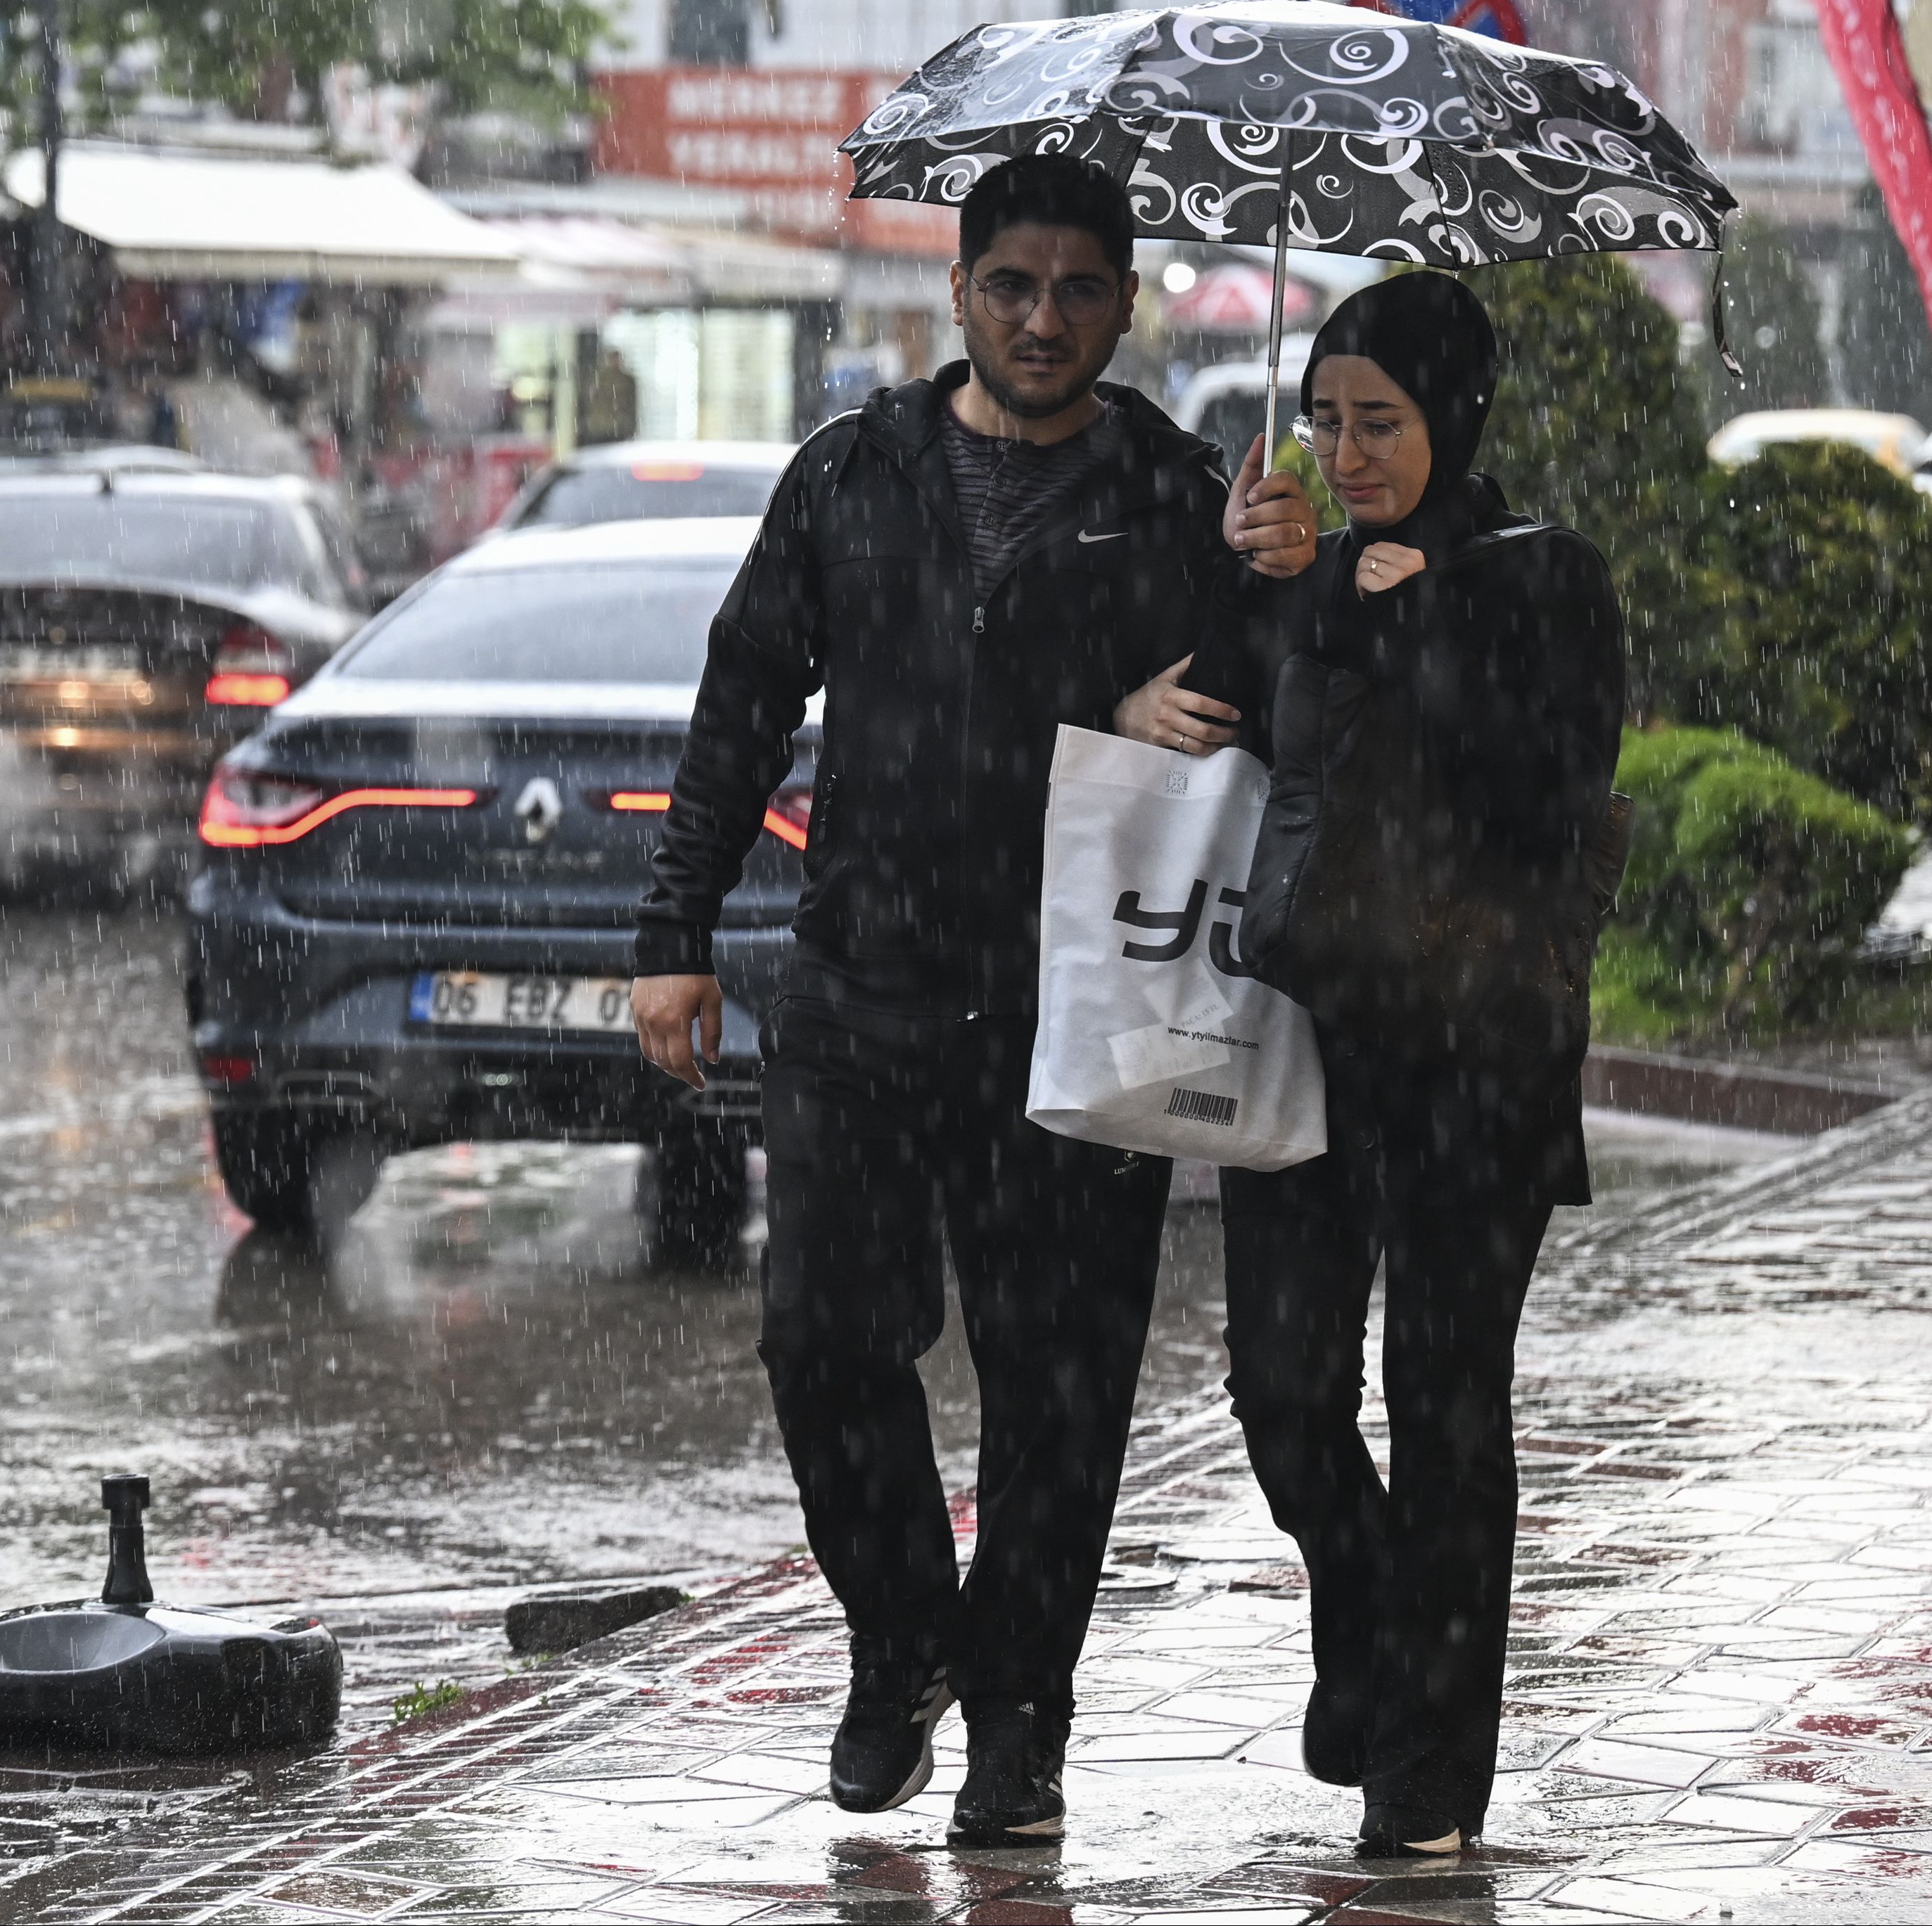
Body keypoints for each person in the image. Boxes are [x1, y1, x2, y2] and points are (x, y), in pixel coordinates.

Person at [629, 153, 1317, 1847]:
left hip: (1076, 998)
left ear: (1125, 305)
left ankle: (1018, 1724)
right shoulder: (851, 474)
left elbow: (1260, 724)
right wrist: (672, 929)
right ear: (957, 292)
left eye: (1078, 291)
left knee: (1058, 1386)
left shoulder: (1176, 492)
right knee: (819, 1339)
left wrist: (1275, 580)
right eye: (1011, 285)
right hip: (860, 987)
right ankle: (900, 1641)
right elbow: (742, 701)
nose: (1042, 319)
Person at [1205, 271, 1623, 1859]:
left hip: (1477, 1056)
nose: (1344, 452)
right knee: (1280, 1390)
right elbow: (1234, 743)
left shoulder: (1542, 575)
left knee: (1444, 1402)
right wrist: (1247, 595)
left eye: (1378, 421)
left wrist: (1401, 613)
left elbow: (1540, 790)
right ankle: (1373, 1612)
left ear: (1453, 417)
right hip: (1308, 1045)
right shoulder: (1303, 569)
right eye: (1323, 419)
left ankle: (1430, 1769)